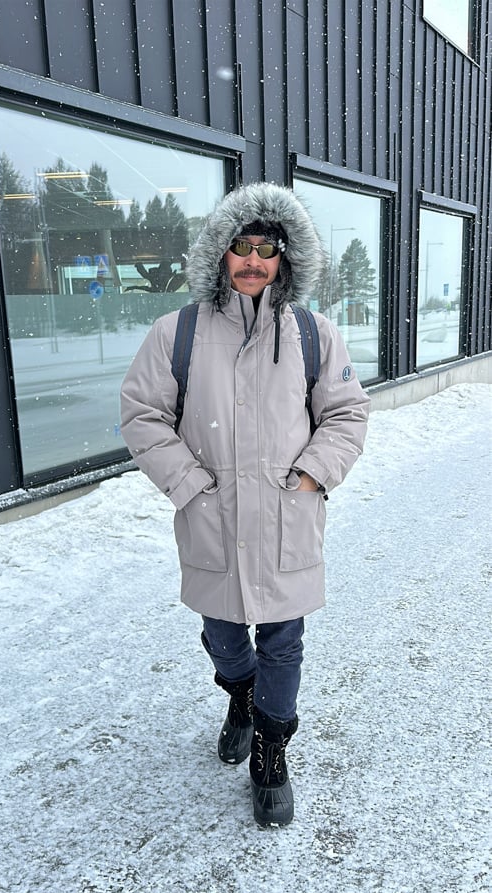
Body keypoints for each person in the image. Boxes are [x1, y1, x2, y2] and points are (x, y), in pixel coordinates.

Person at [120, 182, 370, 827]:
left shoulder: (314, 335)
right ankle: (241, 696)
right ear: (221, 254)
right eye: (241, 246)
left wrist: (314, 476)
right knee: (224, 636)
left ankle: (270, 750)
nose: (253, 260)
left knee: (284, 640)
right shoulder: (175, 333)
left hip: (288, 516)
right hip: (212, 517)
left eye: (268, 248)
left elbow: (345, 414)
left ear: (285, 260)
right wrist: (189, 486)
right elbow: (144, 416)